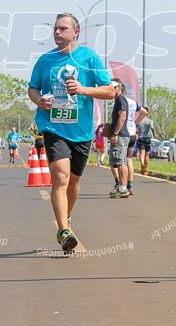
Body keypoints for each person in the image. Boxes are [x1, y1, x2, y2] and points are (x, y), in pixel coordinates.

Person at [29, 13, 117, 253]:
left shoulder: (89, 58)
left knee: (74, 182)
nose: (57, 33)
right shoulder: (46, 60)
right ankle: (64, 231)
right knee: (60, 177)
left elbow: (110, 91)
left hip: (82, 130)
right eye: (56, 29)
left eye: (63, 29)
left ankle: (65, 220)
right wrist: (39, 102)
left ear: (76, 32)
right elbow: (33, 88)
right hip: (53, 126)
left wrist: (83, 89)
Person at [107, 80, 132, 199]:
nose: (112, 89)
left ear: (120, 87)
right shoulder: (118, 100)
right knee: (119, 162)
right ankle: (121, 187)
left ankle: (123, 188)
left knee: (121, 162)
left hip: (121, 135)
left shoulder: (121, 99)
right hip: (120, 134)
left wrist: (116, 133)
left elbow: (123, 116)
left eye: (114, 87)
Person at [136, 108, 155, 176]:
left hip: (140, 137)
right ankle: (145, 168)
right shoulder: (150, 121)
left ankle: (142, 164)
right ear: (147, 113)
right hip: (148, 138)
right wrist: (154, 134)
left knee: (142, 154)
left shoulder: (139, 121)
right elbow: (152, 127)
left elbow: (134, 127)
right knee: (147, 155)